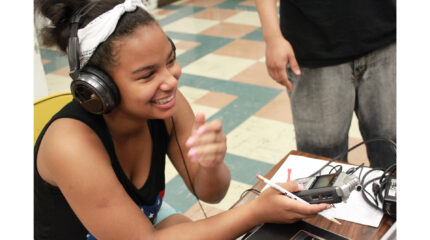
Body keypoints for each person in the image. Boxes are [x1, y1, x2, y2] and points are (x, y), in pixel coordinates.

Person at [34, 0, 330, 239]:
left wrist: (211, 165)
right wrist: (256, 211)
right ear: (98, 87)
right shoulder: (70, 145)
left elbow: (211, 193)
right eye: (148, 74)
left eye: (171, 59)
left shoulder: (165, 108)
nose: (171, 80)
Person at [255, 0, 396, 169]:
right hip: (313, 47)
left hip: (387, 36)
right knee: (323, 163)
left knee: (394, 152)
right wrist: (272, 37)